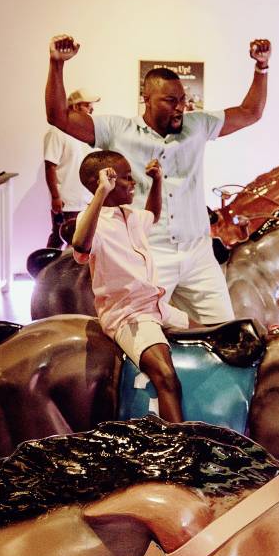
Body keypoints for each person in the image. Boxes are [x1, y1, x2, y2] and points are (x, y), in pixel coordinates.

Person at [46, 34, 272, 323]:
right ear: (147, 100)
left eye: (182, 100)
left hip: (198, 253)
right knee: (147, 337)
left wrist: (261, 67)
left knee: (224, 334)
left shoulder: (198, 125)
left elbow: (250, 112)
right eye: (170, 101)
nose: (180, 107)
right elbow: (58, 117)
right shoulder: (118, 130)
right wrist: (56, 64)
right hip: (148, 255)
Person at [72, 150, 196, 422]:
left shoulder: (129, 214)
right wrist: (102, 193)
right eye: (126, 178)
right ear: (105, 180)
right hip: (129, 315)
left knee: (208, 332)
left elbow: (153, 212)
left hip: (156, 308)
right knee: (165, 377)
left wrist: (158, 181)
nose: (133, 183)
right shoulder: (92, 220)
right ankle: (178, 446)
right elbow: (81, 245)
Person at [43, 88, 98, 247]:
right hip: (68, 200)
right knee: (61, 237)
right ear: (75, 107)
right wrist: (55, 197)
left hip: (86, 199)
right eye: (87, 105)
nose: (92, 109)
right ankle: (48, 269)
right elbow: (50, 166)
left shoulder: (86, 132)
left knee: (81, 241)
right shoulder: (56, 132)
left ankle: (72, 271)